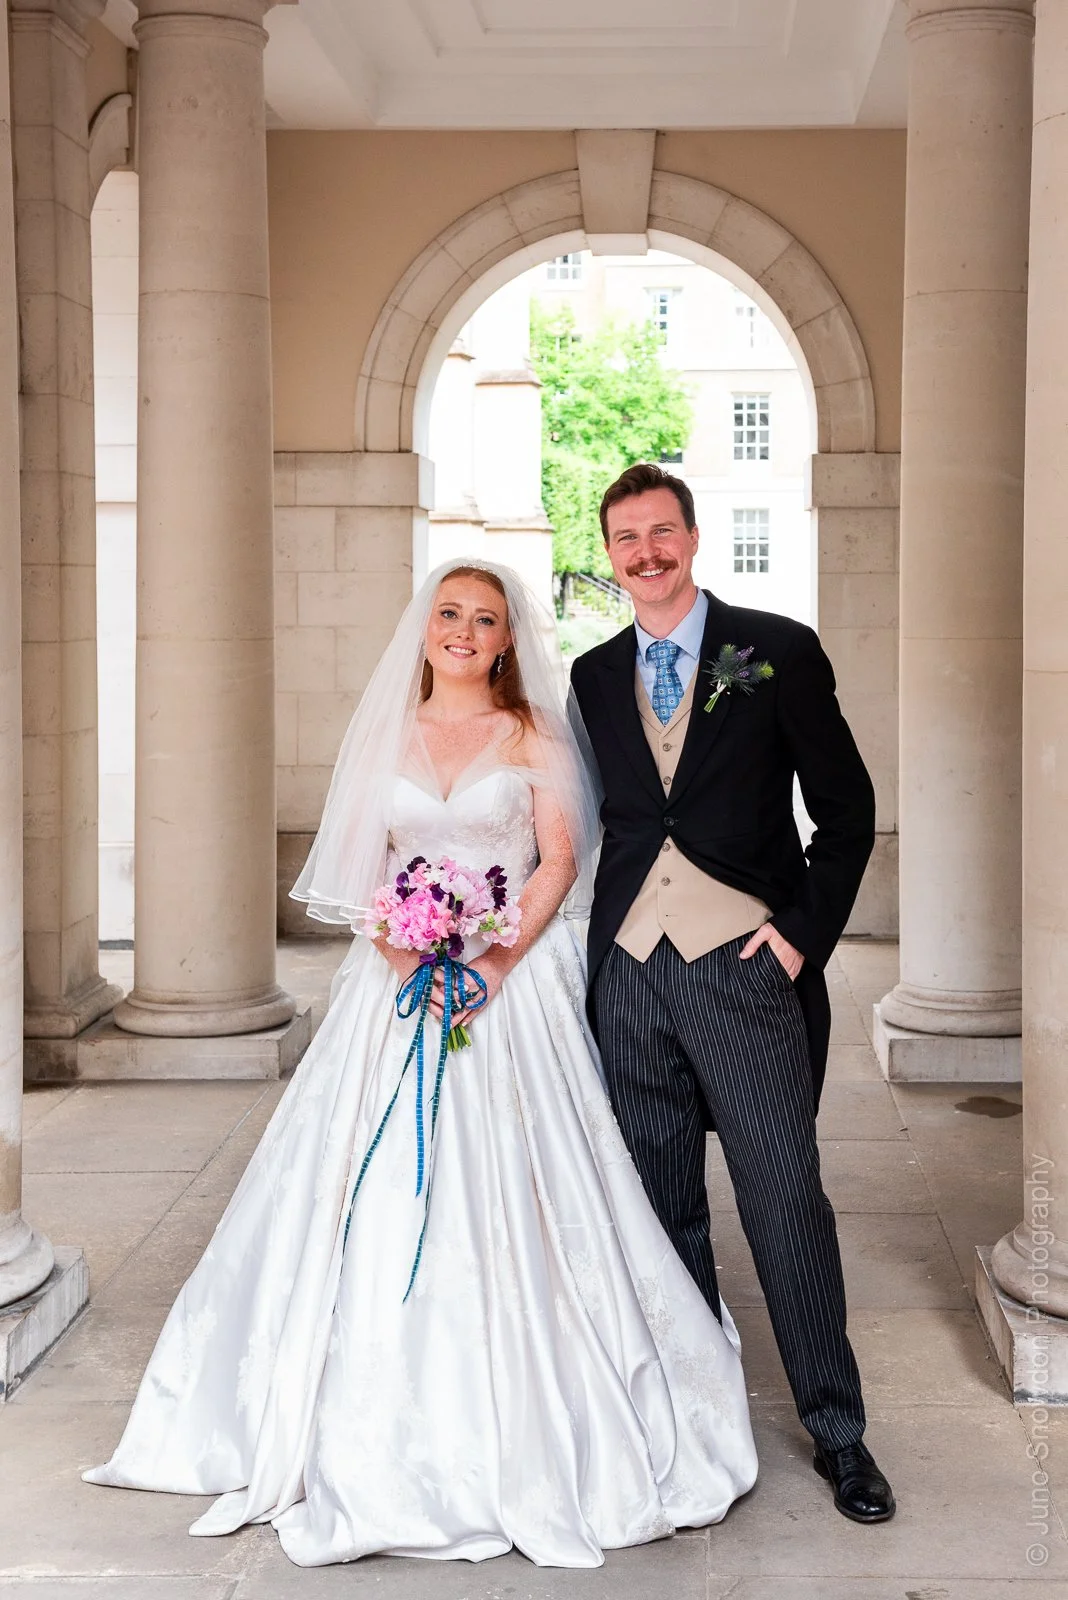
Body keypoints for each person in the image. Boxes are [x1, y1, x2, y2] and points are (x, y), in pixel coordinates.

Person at [83, 559, 758, 1569]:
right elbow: (362, 871)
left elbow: (559, 861)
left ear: (503, 640)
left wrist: (485, 965)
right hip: (392, 993)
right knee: (363, 1189)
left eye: (485, 619)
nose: (465, 630)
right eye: (450, 613)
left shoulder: (531, 733)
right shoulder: (387, 737)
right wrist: (410, 952)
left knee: (526, 1191)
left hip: (507, 994)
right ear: (426, 626)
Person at [569, 463, 896, 1525]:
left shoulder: (777, 651)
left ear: (694, 538)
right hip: (629, 972)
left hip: (746, 970)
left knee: (783, 1199)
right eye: (626, 538)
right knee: (659, 1209)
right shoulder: (590, 672)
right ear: (611, 553)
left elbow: (847, 813)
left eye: (662, 532)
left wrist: (800, 941)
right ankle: (689, 1421)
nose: (646, 553)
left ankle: (839, 1435)